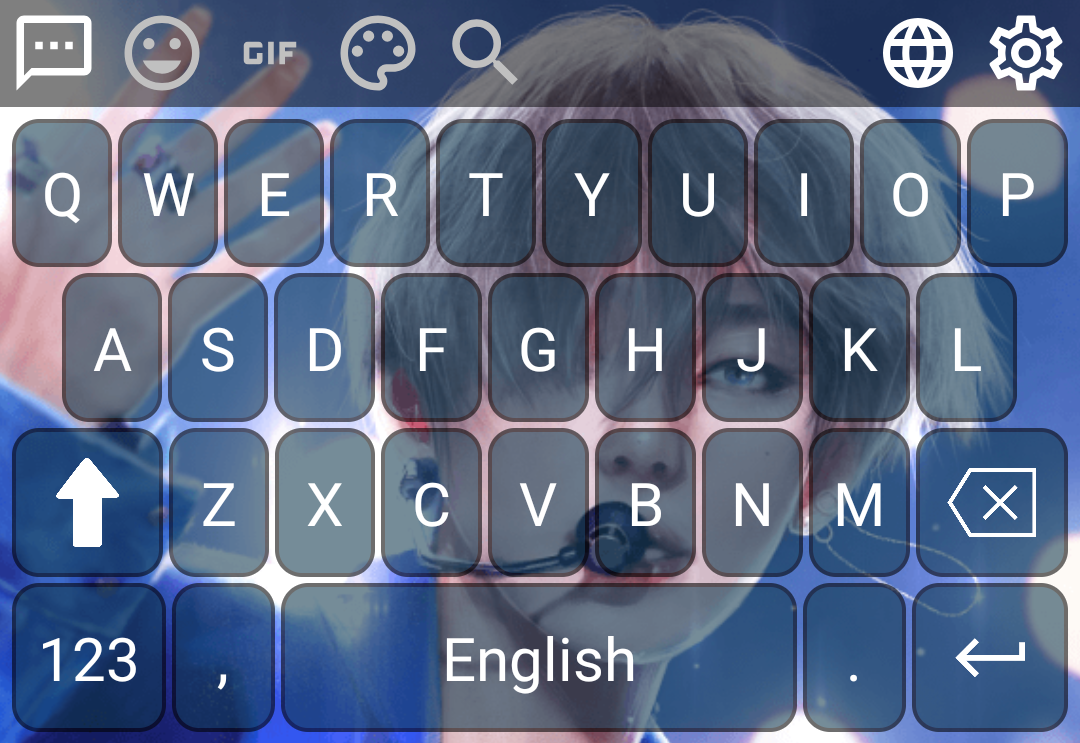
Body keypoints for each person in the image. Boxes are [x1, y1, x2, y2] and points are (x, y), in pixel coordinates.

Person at [278, 9, 1011, 740]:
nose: (647, 443)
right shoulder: (233, 673)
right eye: (554, 350)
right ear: (416, 394)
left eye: (741, 370)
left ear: (828, 461)